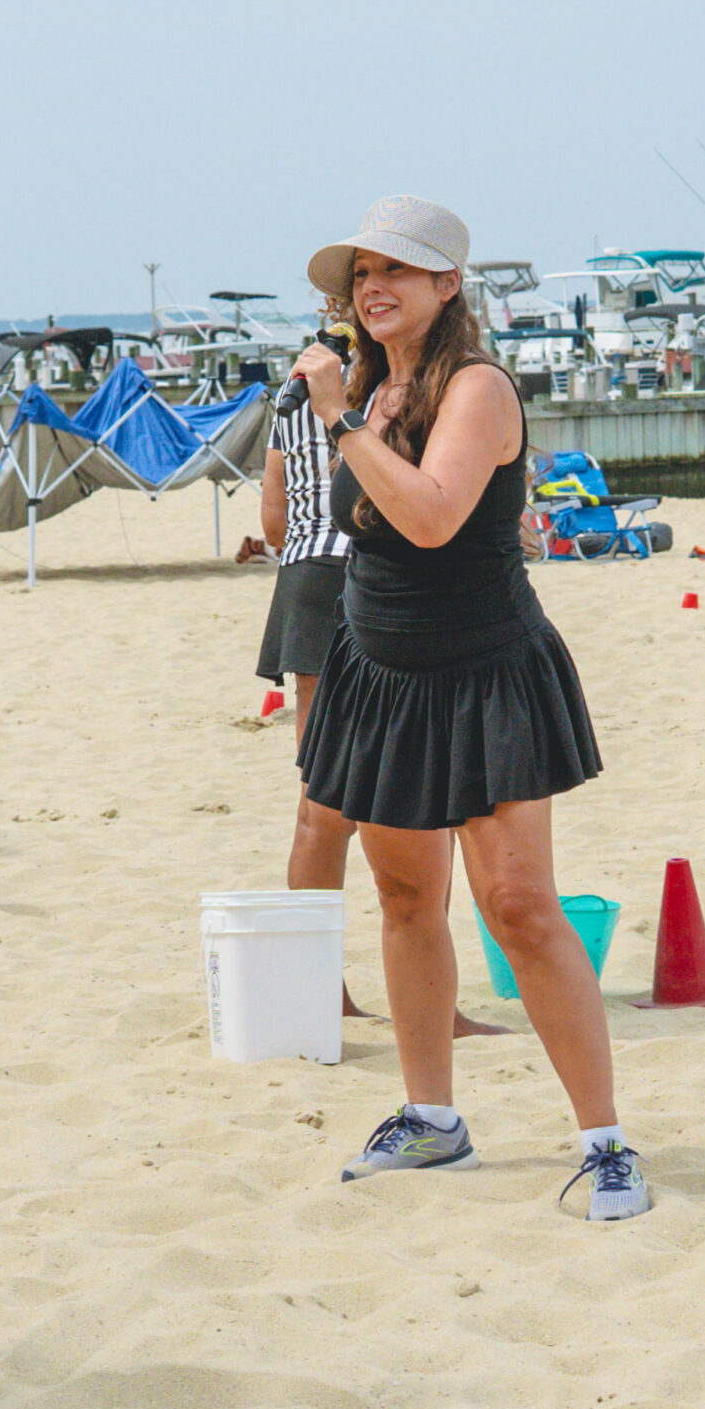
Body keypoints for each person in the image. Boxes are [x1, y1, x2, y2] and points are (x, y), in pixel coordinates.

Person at [292, 195, 650, 1222]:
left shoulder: (477, 388)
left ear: (448, 284)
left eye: (394, 271)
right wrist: (351, 411)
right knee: (406, 899)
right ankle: (432, 1117)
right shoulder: (377, 387)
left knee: (521, 907)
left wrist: (338, 421)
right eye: (361, 275)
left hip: (485, 672)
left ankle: (606, 1144)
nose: (372, 289)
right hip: (382, 673)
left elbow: (434, 517)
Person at [259, 385, 502, 1037]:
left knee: (319, 809)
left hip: (305, 576)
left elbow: (274, 519)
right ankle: (437, 1004)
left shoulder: (292, 392)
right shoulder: (400, 386)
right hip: (377, 578)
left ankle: (321, 995)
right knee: (423, 799)